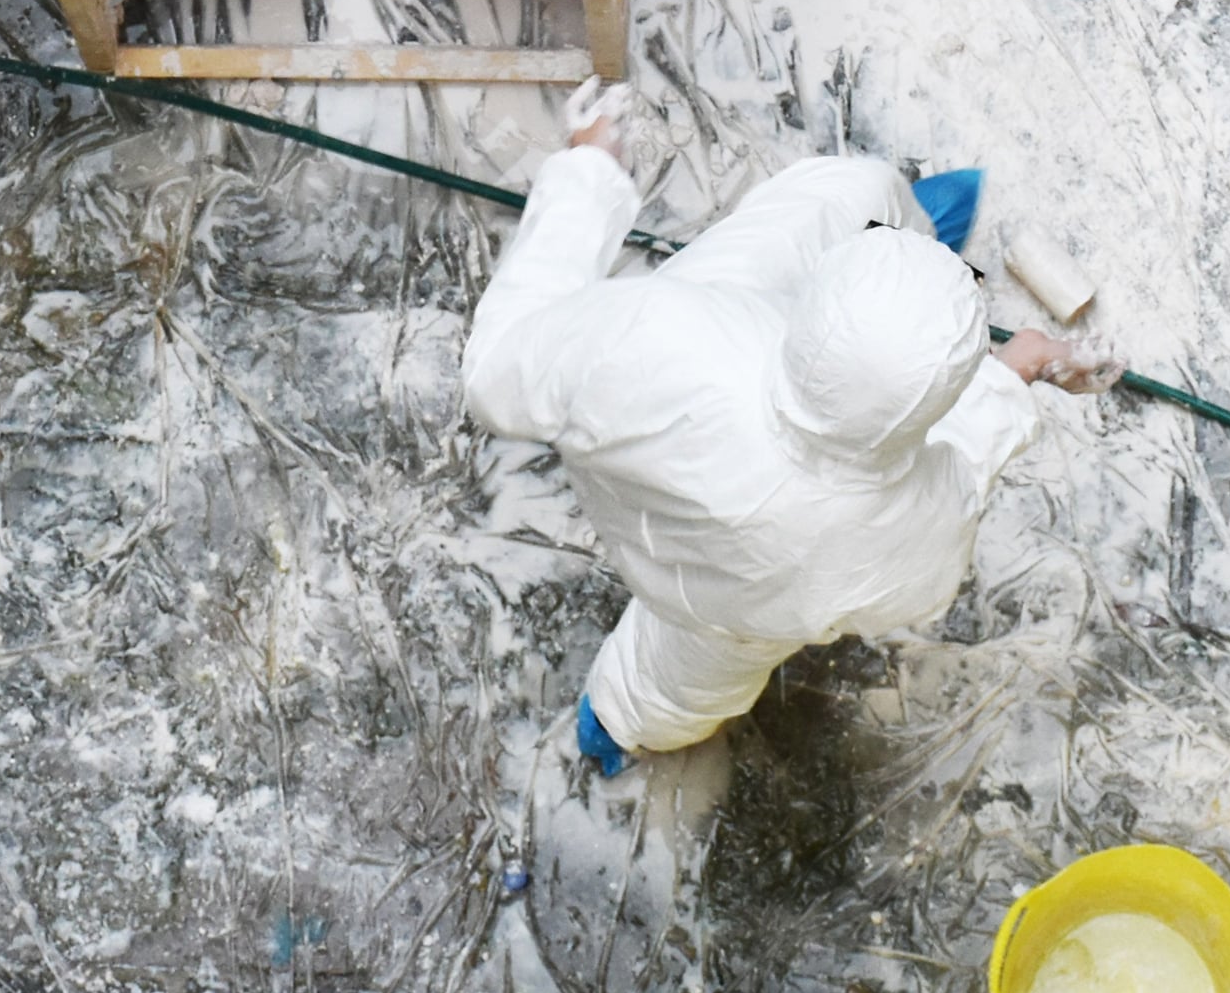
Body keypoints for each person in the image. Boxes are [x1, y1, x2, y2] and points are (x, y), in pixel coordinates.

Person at [462, 100, 1110, 771]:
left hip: (658, 454)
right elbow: (963, 465)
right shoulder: (912, 532)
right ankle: (624, 720)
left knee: (837, 196)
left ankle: (618, 721)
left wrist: (589, 173)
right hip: (729, 614)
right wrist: (1012, 375)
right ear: (942, 401)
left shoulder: (649, 338)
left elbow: (495, 368)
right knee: (686, 681)